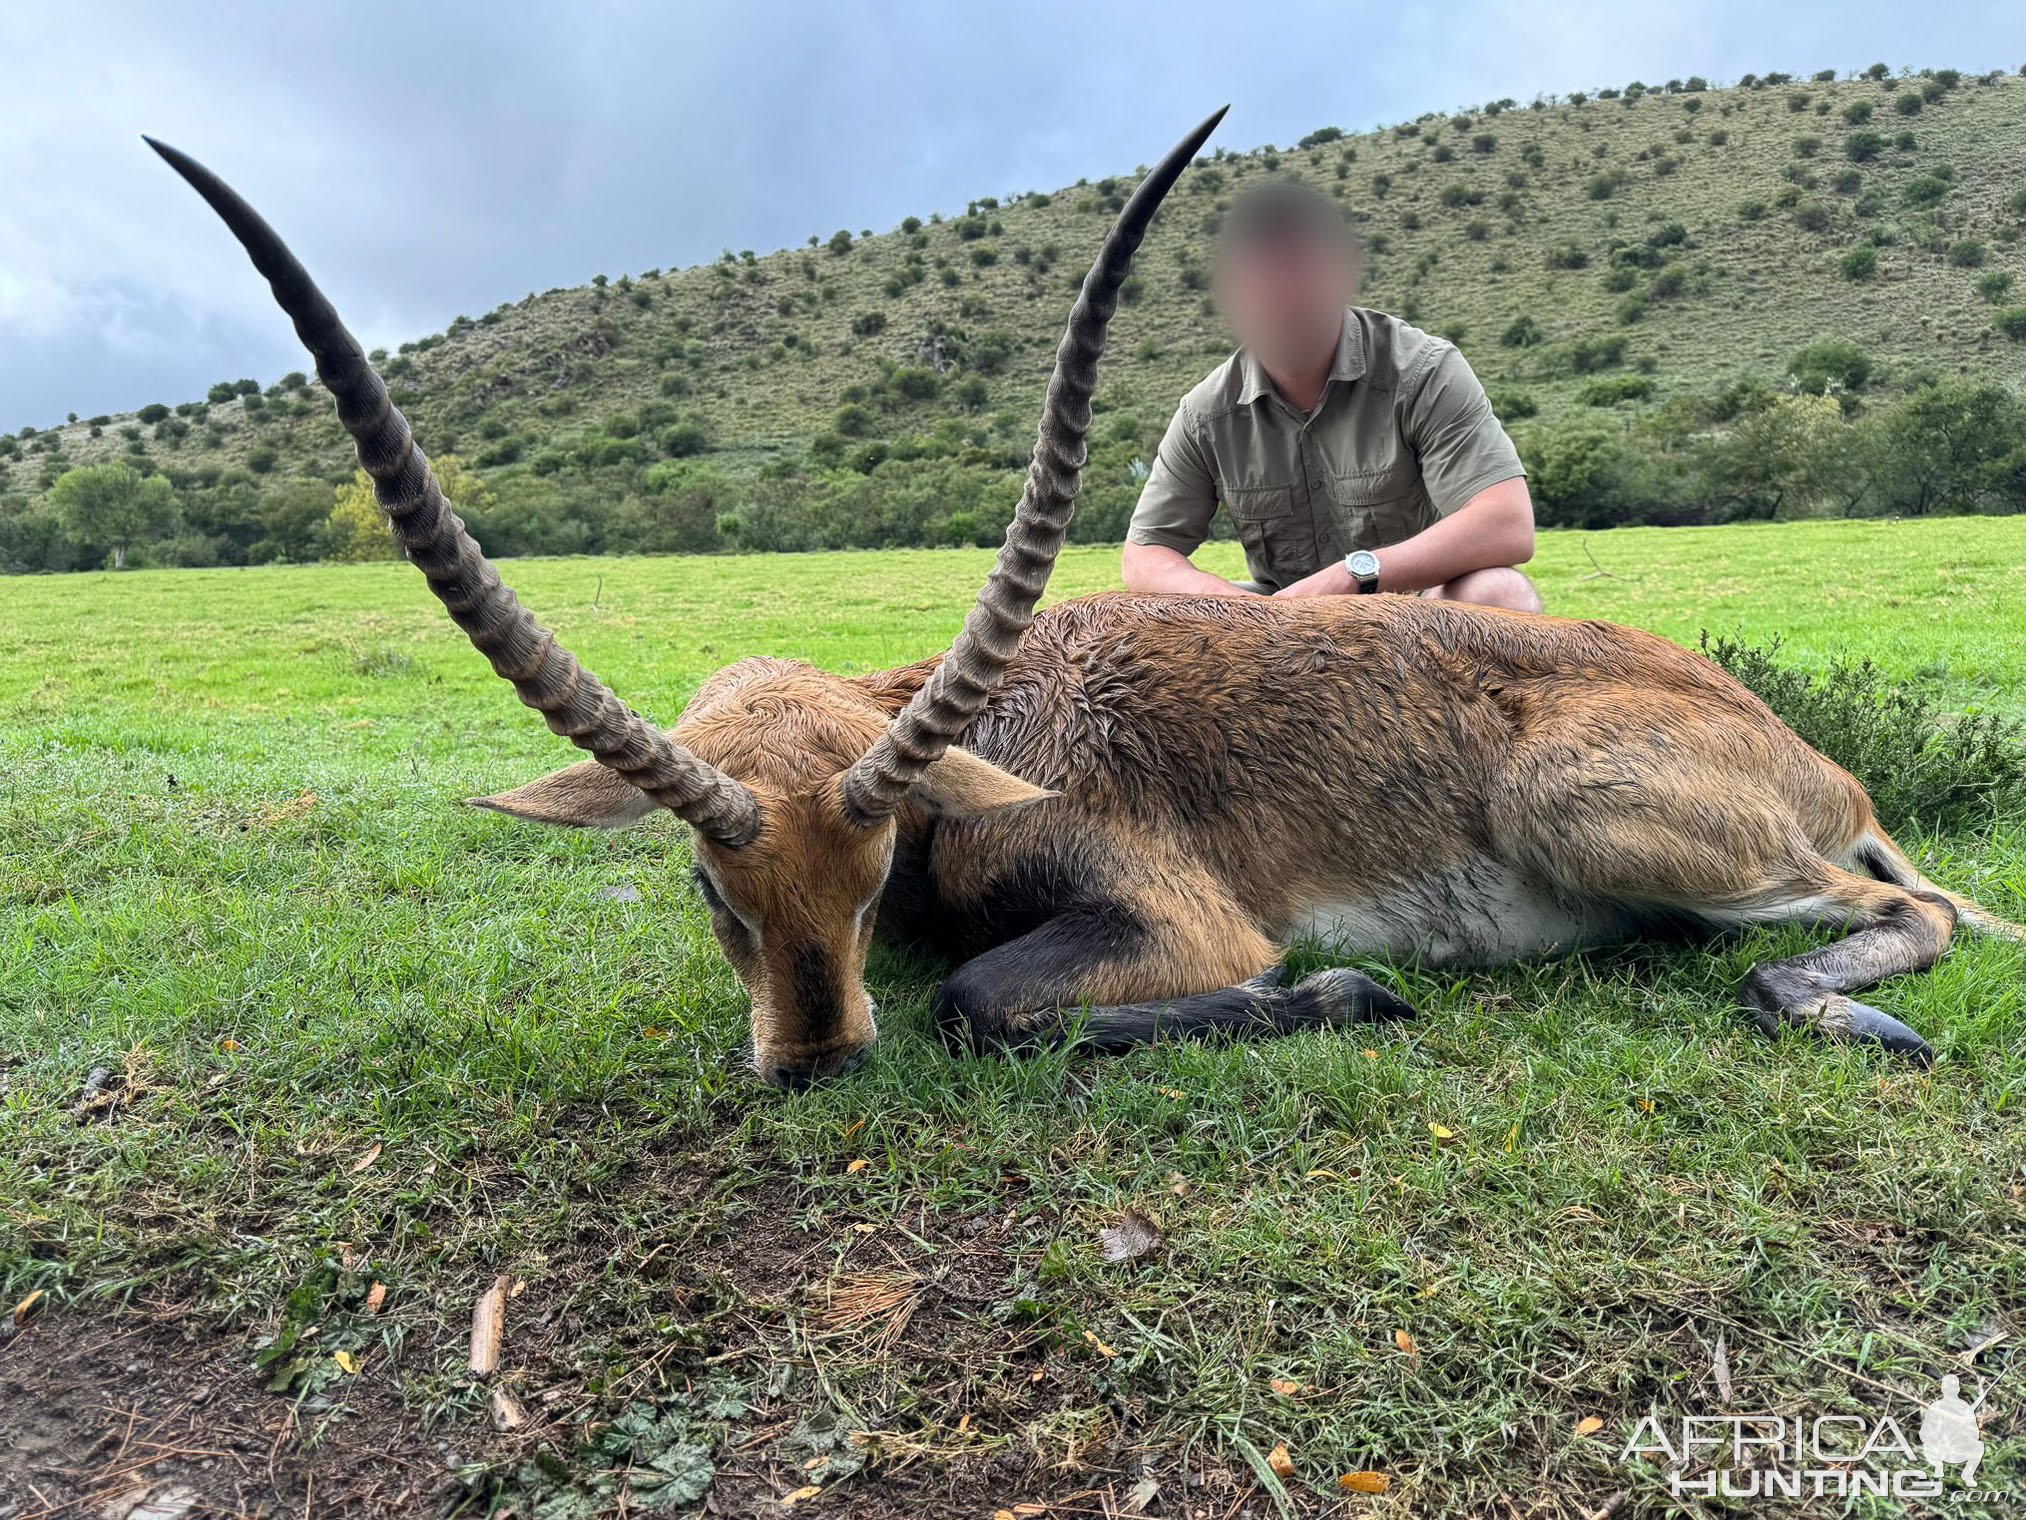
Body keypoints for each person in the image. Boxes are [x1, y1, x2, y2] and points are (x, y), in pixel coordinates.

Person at [1123, 180, 1541, 610]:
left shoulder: (1424, 371)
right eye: (1264, 275)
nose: (1284, 293)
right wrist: (1236, 609)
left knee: (1499, 593)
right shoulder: (1205, 415)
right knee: (1139, 622)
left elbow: (1506, 522)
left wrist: (1351, 575)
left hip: (1415, 610)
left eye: (1300, 268)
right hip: (1278, 619)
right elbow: (1144, 556)